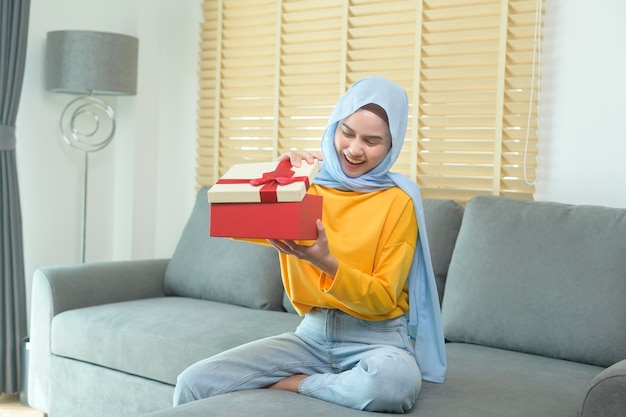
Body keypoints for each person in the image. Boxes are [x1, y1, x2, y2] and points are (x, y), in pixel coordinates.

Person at [173, 76, 446, 413]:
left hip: (378, 339)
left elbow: (382, 299)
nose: (354, 149)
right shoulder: (309, 185)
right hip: (312, 335)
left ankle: (294, 384)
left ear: (393, 146)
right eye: (346, 132)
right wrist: (280, 176)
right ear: (334, 126)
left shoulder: (397, 201)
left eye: (372, 141)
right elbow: (231, 222)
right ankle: (326, 384)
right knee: (194, 382)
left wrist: (325, 261)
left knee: (393, 383)